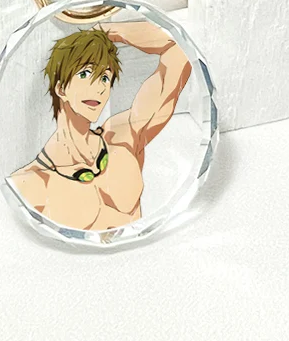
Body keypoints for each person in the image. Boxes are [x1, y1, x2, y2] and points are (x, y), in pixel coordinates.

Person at [10, 21, 191, 231]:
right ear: (61, 88)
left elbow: (177, 50)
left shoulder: (124, 138)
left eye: (105, 77)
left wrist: (107, 30)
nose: (98, 88)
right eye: (85, 74)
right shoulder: (30, 182)